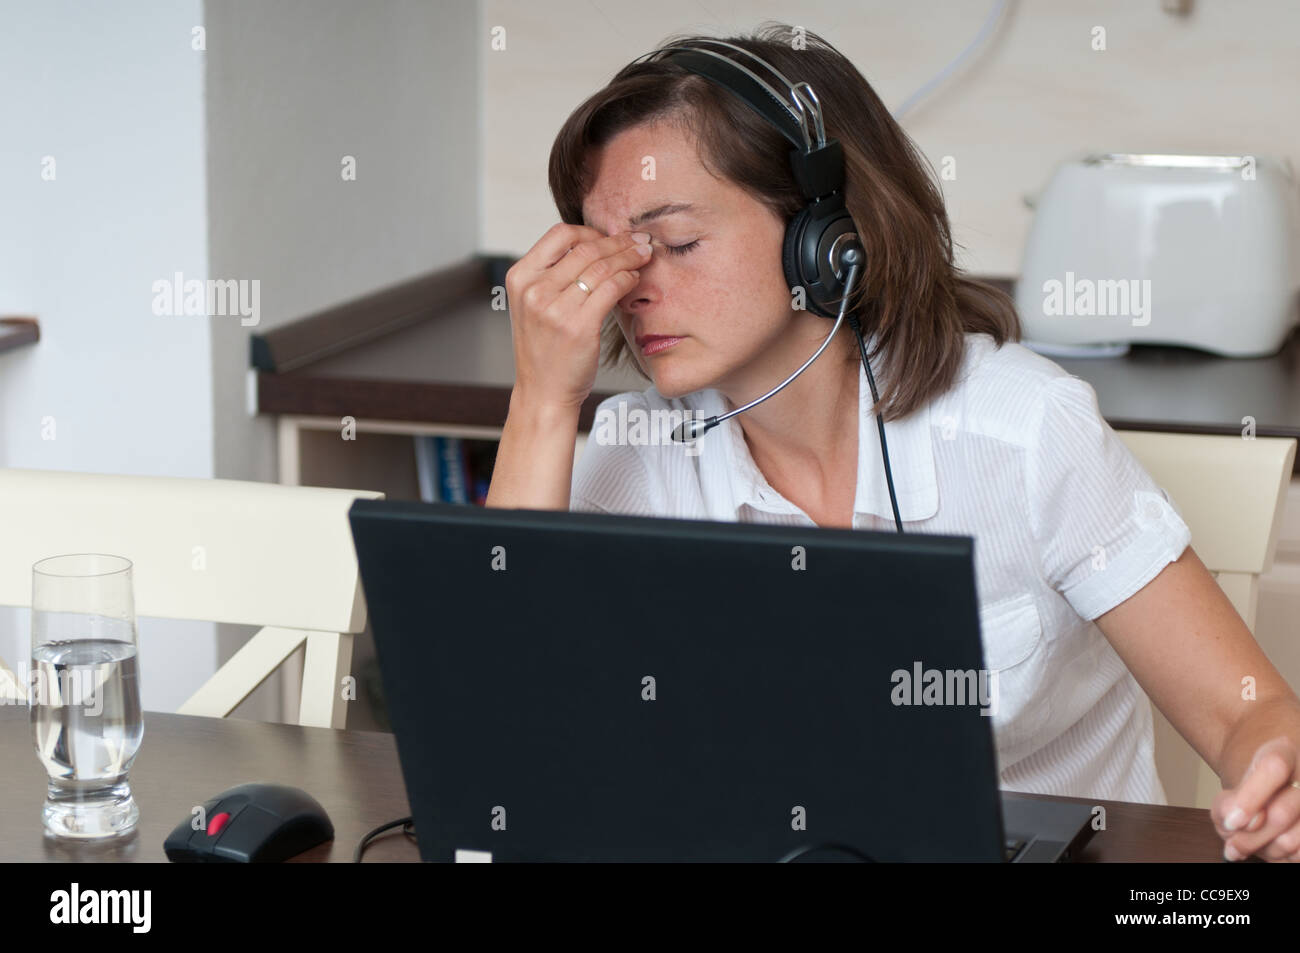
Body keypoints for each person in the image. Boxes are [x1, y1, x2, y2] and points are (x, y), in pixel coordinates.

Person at [485, 23, 1300, 862]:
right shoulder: (634, 457)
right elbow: (503, 748)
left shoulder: (1025, 430)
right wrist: (544, 400)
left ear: (826, 240)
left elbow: (1246, 711)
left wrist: (1278, 777)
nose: (634, 291)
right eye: (608, 256)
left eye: (680, 243)